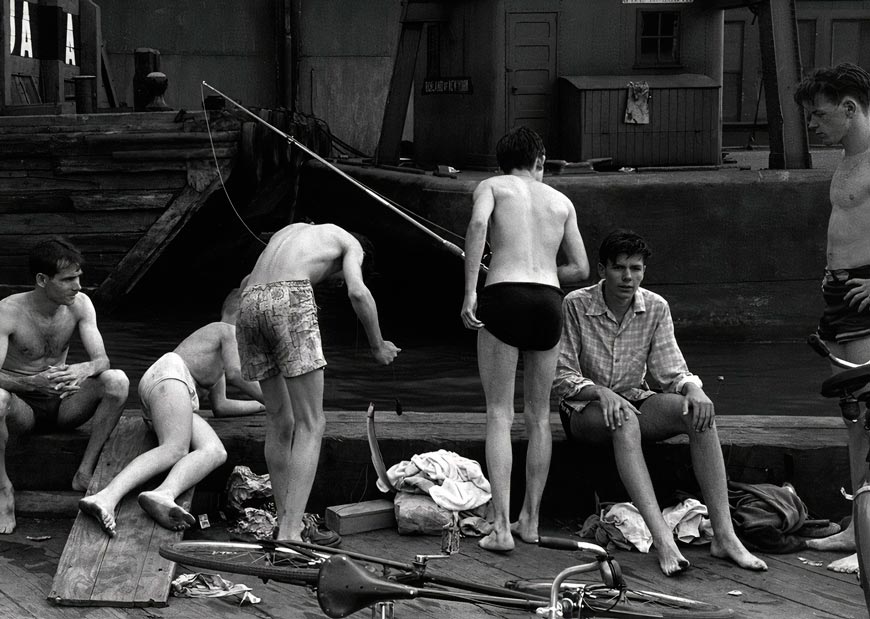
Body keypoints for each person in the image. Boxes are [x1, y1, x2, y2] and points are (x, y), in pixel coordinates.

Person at [553, 230, 767, 576]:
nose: (627, 277)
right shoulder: (575, 304)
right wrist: (599, 392)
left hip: (633, 400)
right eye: (619, 268)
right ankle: (663, 538)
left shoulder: (655, 307)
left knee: (697, 414)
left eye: (635, 269)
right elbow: (561, 376)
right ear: (601, 269)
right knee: (624, 418)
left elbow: (670, 371)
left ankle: (725, 536)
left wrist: (693, 388)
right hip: (583, 408)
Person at [460, 126, 590, 552]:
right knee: (539, 416)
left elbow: (478, 223)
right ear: (540, 160)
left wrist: (471, 291)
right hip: (549, 301)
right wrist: (545, 276)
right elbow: (581, 268)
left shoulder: (492, 185)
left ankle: (500, 528)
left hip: (504, 294)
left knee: (499, 412)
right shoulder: (561, 201)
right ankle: (529, 520)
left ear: (502, 162)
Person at [236, 222, 400, 543]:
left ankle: (286, 524)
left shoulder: (289, 232)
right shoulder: (350, 241)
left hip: (248, 301)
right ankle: (289, 535)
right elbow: (358, 292)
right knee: (312, 423)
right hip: (289, 298)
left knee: (279, 421)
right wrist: (378, 345)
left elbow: (247, 282)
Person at [78, 288, 265, 536]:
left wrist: (262, 406)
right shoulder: (226, 331)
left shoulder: (216, 356)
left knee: (214, 451)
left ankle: (163, 493)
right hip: (169, 377)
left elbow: (221, 406)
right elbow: (237, 374)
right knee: (174, 448)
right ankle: (105, 497)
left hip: (176, 393)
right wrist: (279, 402)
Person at [793, 62, 870, 575]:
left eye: (819, 116)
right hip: (843, 294)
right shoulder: (847, 159)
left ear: (849, 108)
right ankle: (856, 526)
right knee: (854, 416)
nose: (813, 126)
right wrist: (831, 270)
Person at [0, 238, 129, 534]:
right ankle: (4, 489)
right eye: (68, 279)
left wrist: (87, 367)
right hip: (22, 409)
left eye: (78, 277)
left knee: (117, 382)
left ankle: (84, 472)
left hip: (64, 405)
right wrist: (31, 383)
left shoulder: (80, 305)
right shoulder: (8, 311)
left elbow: (102, 360)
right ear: (42, 280)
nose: (78, 286)